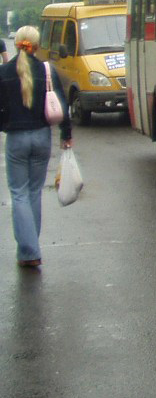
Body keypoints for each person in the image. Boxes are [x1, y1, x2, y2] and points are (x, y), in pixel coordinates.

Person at [0, 26, 72, 269]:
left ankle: (29, 251)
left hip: (16, 139)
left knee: (18, 193)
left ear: (17, 43)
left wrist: (6, 124)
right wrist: (66, 134)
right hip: (42, 137)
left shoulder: (4, 72)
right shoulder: (46, 70)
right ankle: (28, 249)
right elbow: (62, 104)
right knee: (33, 192)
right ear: (37, 46)